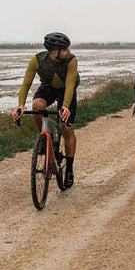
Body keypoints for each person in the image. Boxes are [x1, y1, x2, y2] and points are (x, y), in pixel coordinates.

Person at [12, 32, 80, 189]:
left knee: (67, 128)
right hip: (48, 88)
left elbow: (70, 85)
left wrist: (65, 106)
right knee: (36, 106)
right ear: (54, 52)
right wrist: (21, 105)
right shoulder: (37, 60)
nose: (68, 51)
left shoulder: (71, 60)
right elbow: (25, 85)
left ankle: (69, 169)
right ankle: (44, 138)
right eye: (64, 49)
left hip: (66, 91)